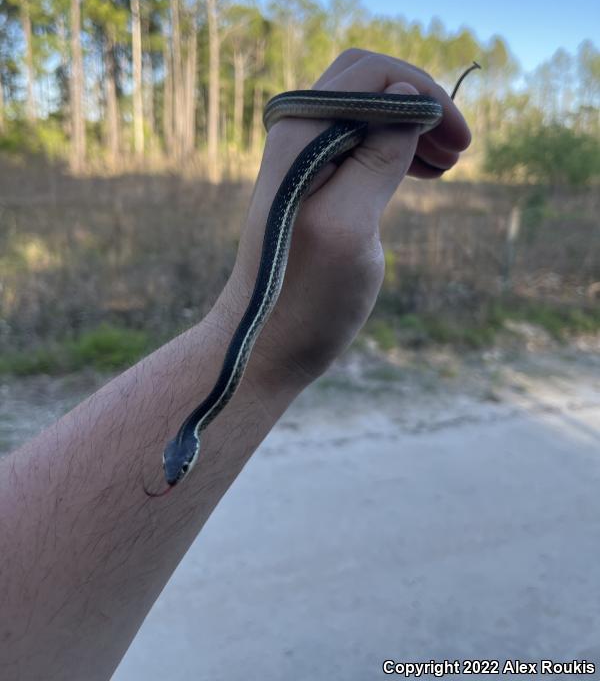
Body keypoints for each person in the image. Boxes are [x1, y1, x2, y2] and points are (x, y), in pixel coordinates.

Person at [0, 49, 471, 681]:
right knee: (296, 113)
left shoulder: (218, 391)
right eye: (179, 464)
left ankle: (351, 112)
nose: (176, 469)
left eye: (179, 462)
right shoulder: (216, 395)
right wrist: (269, 344)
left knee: (314, 112)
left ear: (184, 445)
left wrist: (260, 341)